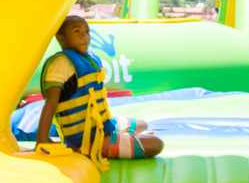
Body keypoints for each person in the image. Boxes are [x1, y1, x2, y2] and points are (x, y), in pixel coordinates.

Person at [32, 15, 163, 167]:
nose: (84, 37)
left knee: (142, 125)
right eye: (77, 31)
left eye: (87, 32)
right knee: (157, 144)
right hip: (87, 140)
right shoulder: (61, 64)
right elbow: (50, 103)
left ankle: (116, 136)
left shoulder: (88, 58)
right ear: (60, 36)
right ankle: (105, 145)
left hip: (101, 126)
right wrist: (42, 138)